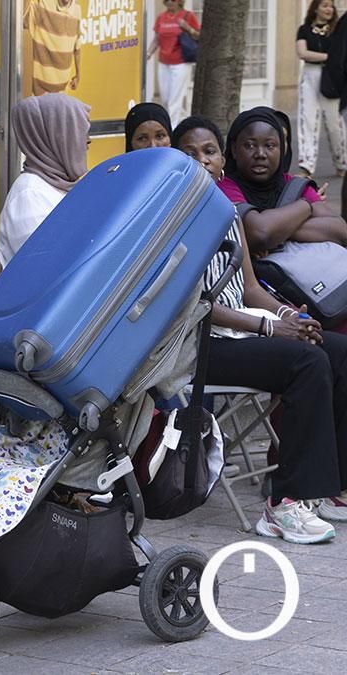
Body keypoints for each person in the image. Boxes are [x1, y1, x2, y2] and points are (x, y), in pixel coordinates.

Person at [172, 116, 347, 543]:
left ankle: (328, 488)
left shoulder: (226, 212)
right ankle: (284, 504)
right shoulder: (168, 220)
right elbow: (193, 305)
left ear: (221, 160)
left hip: (242, 331)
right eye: (189, 153)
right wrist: (270, 329)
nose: (201, 160)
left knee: (337, 350)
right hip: (196, 344)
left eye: (209, 151)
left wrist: (289, 317)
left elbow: (250, 288)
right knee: (306, 362)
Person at [220, 107, 347, 255]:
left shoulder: (295, 185)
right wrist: (306, 206)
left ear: (281, 150)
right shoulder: (224, 186)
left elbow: (341, 230)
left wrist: (275, 231)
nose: (260, 154)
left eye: (269, 146)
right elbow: (261, 233)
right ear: (234, 149)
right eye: (250, 145)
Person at [0, 94, 91, 266]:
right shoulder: (29, 195)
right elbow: (48, 264)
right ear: (58, 138)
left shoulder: (58, 185)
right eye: (80, 133)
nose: (88, 141)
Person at [297, 0, 347, 177]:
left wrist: (333, 59)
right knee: (307, 120)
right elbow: (302, 53)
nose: (329, 9)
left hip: (331, 77)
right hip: (310, 75)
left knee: (335, 124)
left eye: (331, 6)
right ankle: (306, 165)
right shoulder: (304, 29)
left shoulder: (337, 30)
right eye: (324, 5)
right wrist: (331, 56)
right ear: (316, 8)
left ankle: (342, 163)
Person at [146, 0, 200, 124]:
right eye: (167, 0)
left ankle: (172, 128)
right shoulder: (161, 17)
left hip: (181, 62)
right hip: (164, 61)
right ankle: (175, 122)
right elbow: (157, 39)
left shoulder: (188, 15)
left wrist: (188, 28)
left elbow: (198, 36)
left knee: (174, 99)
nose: (170, 2)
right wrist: (148, 54)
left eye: (173, 0)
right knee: (165, 98)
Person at [24, 0, 82, 96]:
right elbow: (23, 21)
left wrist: (78, 75)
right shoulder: (43, 4)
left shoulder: (77, 10)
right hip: (40, 90)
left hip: (62, 90)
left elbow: (77, 46)